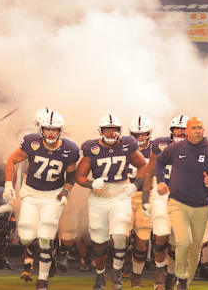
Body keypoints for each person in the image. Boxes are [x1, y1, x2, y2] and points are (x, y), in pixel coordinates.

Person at [3, 108, 80, 290]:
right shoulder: (31, 142)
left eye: (54, 129)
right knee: (27, 236)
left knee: (45, 236)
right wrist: (8, 184)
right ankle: (47, 256)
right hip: (30, 192)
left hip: (53, 195)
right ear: (41, 129)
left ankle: (42, 280)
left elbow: (70, 177)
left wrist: (66, 192)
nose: (51, 133)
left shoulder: (70, 149)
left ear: (60, 130)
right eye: (47, 129)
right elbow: (11, 161)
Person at [155, 117, 208, 290]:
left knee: (195, 249)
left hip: (201, 206)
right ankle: (180, 277)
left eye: (200, 128)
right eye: (194, 128)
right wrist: (160, 181)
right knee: (183, 241)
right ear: (186, 131)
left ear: (204, 130)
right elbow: (159, 161)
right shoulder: (175, 148)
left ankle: (185, 282)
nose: (197, 131)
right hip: (177, 203)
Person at [75, 114, 148, 290]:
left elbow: (143, 165)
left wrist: (136, 185)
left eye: (114, 129)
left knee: (120, 235)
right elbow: (79, 176)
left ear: (119, 131)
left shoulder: (127, 145)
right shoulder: (91, 148)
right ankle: (100, 275)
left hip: (121, 193)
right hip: (99, 196)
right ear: (101, 131)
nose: (110, 133)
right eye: (107, 130)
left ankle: (116, 274)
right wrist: (91, 183)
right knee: (99, 243)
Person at [142, 115, 188, 290]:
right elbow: (149, 172)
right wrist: (145, 198)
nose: (180, 132)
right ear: (171, 130)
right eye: (177, 129)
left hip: (184, 196)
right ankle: (160, 273)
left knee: (179, 241)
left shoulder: (200, 148)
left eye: (184, 130)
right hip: (161, 192)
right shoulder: (160, 145)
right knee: (160, 234)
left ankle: (171, 274)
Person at [126, 116, 154, 287]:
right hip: (125, 195)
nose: (140, 138)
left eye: (143, 134)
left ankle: (136, 274)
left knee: (142, 240)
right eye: (137, 134)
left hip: (146, 195)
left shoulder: (157, 149)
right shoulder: (123, 148)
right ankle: (119, 267)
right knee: (119, 237)